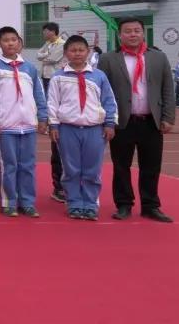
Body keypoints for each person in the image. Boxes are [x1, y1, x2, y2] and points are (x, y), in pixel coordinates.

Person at [98, 17, 175, 223]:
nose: (133, 34)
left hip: (151, 121)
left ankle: (151, 206)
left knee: (151, 166)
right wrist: (106, 120)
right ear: (119, 35)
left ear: (143, 33)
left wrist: (168, 117)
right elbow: (102, 91)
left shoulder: (158, 57)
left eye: (137, 30)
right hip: (122, 121)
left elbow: (168, 88)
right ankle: (124, 204)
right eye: (128, 31)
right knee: (121, 166)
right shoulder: (108, 59)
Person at [49, 35, 117, 220]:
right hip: (67, 129)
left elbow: (109, 100)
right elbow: (52, 103)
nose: (77, 53)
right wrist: (53, 125)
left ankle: (90, 203)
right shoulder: (58, 77)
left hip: (94, 129)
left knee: (92, 169)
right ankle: (74, 203)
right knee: (71, 169)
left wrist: (110, 123)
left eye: (81, 50)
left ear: (88, 52)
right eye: (73, 50)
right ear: (66, 53)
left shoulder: (99, 76)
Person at [0, 26, 47, 218]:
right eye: (6, 40)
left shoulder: (30, 68)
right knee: (9, 165)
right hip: (6, 127)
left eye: (14, 39)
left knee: (28, 165)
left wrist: (42, 117)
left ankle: (27, 202)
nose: (10, 43)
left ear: (19, 42)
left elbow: (39, 94)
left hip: (28, 125)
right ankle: (9, 201)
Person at [36, 22, 66, 203]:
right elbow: (40, 56)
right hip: (46, 77)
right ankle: (59, 187)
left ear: (53, 31)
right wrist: (45, 55)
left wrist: (45, 56)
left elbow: (52, 60)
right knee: (47, 104)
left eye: (46, 31)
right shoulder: (48, 44)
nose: (44, 33)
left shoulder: (62, 44)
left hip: (54, 76)